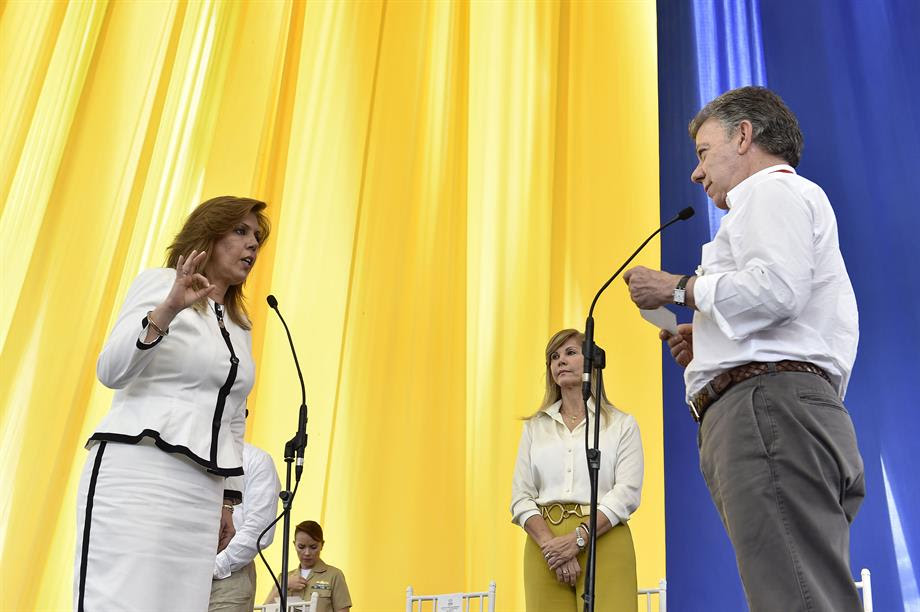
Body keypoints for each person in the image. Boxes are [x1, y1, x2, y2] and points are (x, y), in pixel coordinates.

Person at [623, 86, 864, 611]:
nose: (696, 173)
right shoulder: (781, 201)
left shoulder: (769, 192)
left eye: (703, 152)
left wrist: (678, 289)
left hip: (767, 410)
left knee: (792, 596)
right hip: (782, 407)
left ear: (744, 136)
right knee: (804, 587)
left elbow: (775, 290)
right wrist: (712, 340)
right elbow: (784, 302)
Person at [74, 196, 271, 611]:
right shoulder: (159, 284)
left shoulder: (240, 324)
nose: (253, 243)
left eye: (257, 236)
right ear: (207, 237)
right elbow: (111, 370)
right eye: (240, 231)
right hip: (138, 472)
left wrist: (229, 500)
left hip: (201, 492)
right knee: (121, 600)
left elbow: (233, 417)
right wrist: (167, 310)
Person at [510, 328, 643, 612]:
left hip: (605, 537)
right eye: (553, 357)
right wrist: (552, 547)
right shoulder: (534, 427)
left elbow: (627, 493)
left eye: (570, 353)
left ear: (591, 361)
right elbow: (521, 497)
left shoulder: (621, 424)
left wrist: (578, 539)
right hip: (544, 545)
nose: (560, 361)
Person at [209, 440, 282, 612]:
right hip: (180, 567)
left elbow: (258, 530)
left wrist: (216, 566)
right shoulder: (186, 447)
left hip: (228, 575)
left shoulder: (257, 459)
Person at [264, 520, 352, 612]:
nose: (307, 553)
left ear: (322, 545)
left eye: (313, 547)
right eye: (301, 547)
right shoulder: (284, 577)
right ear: (294, 545)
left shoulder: (334, 575)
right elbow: (265, 609)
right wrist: (284, 586)